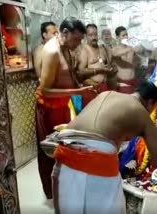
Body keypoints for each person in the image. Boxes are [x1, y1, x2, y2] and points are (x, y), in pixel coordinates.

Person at [51, 81, 157, 213]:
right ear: (150, 102)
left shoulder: (106, 94)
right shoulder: (143, 115)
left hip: (64, 160)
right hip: (96, 167)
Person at [36, 17, 94, 199]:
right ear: (65, 33)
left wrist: (82, 89)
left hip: (64, 104)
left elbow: (68, 74)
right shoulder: (52, 51)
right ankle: (55, 193)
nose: (78, 44)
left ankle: (66, 188)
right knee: (52, 151)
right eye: (76, 39)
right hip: (49, 107)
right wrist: (78, 91)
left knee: (67, 147)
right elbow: (45, 89)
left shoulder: (67, 47)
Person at [78, 24, 117, 107]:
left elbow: (108, 64)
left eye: (95, 34)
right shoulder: (84, 50)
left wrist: (112, 68)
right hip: (91, 89)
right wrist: (100, 70)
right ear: (85, 36)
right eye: (90, 35)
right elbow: (80, 71)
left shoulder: (102, 48)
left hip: (104, 87)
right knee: (91, 117)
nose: (94, 37)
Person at [112, 26, 137, 94]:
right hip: (122, 84)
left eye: (126, 35)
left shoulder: (131, 48)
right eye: (123, 35)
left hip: (133, 82)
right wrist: (131, 48)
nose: (126, 37)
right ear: (117, 38)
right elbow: (115, 54)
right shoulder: (115, 49)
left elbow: (143, 52)